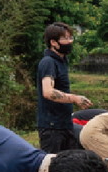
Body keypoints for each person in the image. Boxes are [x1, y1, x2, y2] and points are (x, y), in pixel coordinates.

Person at [34, 22, 87, 154]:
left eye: (71, 38)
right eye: (65, 39)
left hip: (65, 124)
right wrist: (74, 98)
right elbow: (48, 92)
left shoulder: (61, 61)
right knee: (52, 166)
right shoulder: (48, 62)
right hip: (52, 127)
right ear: (53, 42)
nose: (69, 42)